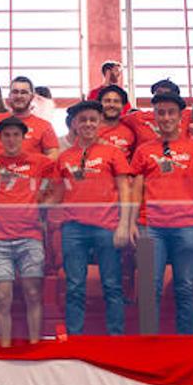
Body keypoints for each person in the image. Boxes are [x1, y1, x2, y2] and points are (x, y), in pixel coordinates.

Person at [0, 116, 53, 346]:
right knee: (2, 297)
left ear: (23, 137)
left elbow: (63, 177)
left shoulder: (39, 162)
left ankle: (36, 345)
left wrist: (46, 203)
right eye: (6, 135)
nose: (11, 139)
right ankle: (5, 348)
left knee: (33, 294)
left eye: (15, 134)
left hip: (30, 238)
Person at [55, 100, 134, 335]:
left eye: (92, 119)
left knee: (111, 285)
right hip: (73, 229)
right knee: (75, 286)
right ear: (74, 124)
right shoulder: (64, 157)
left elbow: (125, 190)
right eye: (83, 120)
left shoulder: (113, 152)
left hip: (107, 227)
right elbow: (57, 194)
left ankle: (116, 338)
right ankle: (74, 339)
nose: (88, 124)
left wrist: (123, 225)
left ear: (99, 123)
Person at [130, 92, 193, 334]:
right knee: (150, 289)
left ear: (181, 117)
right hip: (150, 227)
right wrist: (131, 223)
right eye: (161, 112)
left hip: (188, 225)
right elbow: (136, 189)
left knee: (185, 286)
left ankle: (186, 343)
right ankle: (149, 343)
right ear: (155, 117)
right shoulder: (143, 150)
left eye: (171, 112)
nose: (166, 117)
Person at [0, 77, 60, 159]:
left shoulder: (45, 126)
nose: (19, 96)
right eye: (15, 92)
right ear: (9, 96)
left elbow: (53, 154)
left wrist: (36, 171)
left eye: (24, 92)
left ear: (32, 97)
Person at [95, 85, 138, 158]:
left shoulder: (130, 132)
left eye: (116, 101)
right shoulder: (90, 130)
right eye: (107, 101)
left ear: (123, 106)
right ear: (100, 105)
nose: (112, 105)